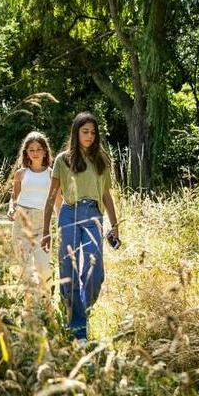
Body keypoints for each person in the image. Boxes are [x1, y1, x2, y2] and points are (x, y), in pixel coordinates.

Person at [41, 112, 119, 342]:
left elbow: (106, 195)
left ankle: (78, 309)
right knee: (69, 270)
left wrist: (115, 226)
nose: (90, 136)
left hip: (94, 215)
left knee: (96, 272)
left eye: (93, 132)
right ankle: (78, 330)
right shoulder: (63, 160)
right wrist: (46, 230)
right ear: (76, 133)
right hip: (69, 214)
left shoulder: (101, 159)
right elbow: (51, 197)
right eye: (85, 131)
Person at [7, 131, 57, 299]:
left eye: (38, 149)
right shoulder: (20, 173)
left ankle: (47, 300)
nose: (35, 153)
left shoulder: (52, 174)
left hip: (42, 221)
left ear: (45, 151)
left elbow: (57, 200)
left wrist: (64, 222)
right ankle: (31, 303)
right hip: (22, 219)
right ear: (26, 152)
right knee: (25, 264)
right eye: (31, 150)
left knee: (43, 266)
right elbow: (14, 198)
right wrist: (11, 209)